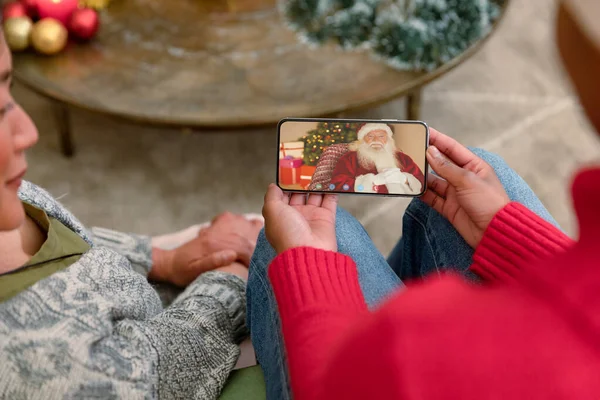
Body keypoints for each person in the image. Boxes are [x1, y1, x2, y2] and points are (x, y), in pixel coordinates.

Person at [246, 0, 600, 398]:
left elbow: (343, 384)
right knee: (476, 177)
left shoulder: (422, 350)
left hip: (362, 370)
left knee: (317, 235)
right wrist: (511, 233)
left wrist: (308, 267)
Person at [0, 32, 263, 399]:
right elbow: (156, 376)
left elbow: (75, 243)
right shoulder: (25, 359)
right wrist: (231, 279)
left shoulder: (8, 197)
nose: (29, 131)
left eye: (9, 89)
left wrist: (161, 258)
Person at [329, 122, 424, 194]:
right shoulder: (350, 158)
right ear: (362, 139)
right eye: (370, 136)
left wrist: (405, 179)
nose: (376, 140)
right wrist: (373, 181)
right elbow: (336, 185)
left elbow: (422, 183)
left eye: (381, 136)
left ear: (388, 139)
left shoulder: (403, 158)